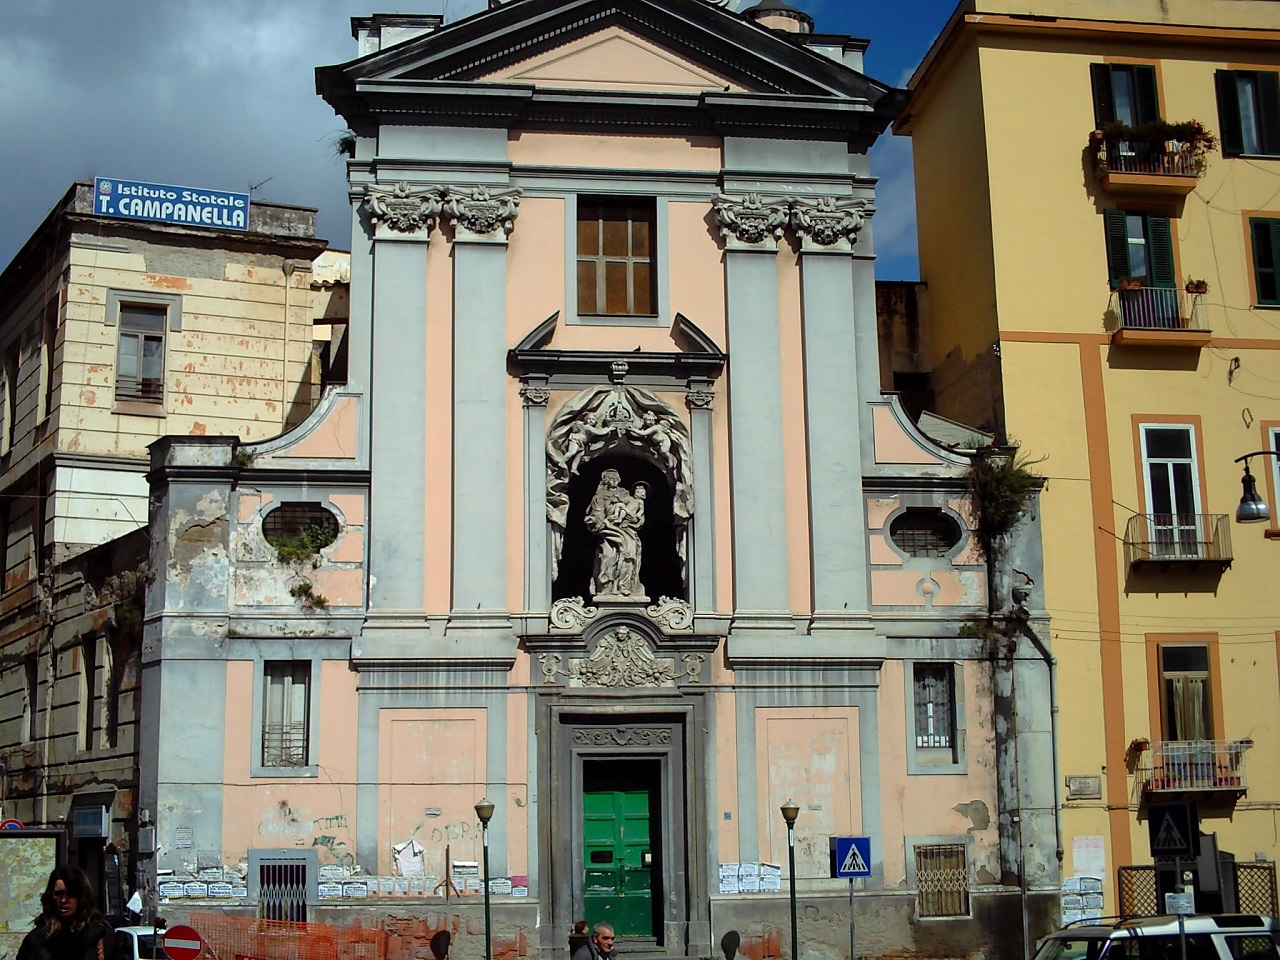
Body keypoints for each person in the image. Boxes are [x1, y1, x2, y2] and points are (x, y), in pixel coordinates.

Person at [18, 866, 115, 960]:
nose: (64, 900)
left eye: (71, 894)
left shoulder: (101, 938)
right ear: (51, 896)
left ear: (82, 897)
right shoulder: (36, 941)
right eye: (58, 894)